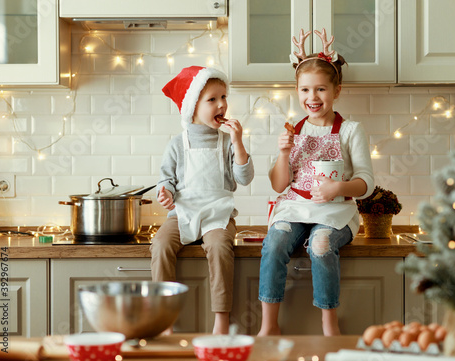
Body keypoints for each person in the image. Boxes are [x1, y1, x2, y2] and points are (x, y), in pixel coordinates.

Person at [257, 29, 374, 336]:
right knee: (275, 242)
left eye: (320, 89)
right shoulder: (292, 129)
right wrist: (283, 153)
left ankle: (329, 327)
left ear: (337, 89)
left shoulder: (350, 131)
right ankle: (269, 326)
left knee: (321, 245)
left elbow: (366, 181)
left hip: (335, 213)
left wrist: (340, 188)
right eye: (305, 90)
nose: (312, 98)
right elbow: (278, 185)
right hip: (294, 208)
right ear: (297, 91)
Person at [150, 66, 254, 335]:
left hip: (218, 215)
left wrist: (238, 141)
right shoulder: (176, 144)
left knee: (219, 247)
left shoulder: (227, 141)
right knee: (161, 244)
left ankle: (221, 318)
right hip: (182, 214)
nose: (222, 104)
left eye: (223, 97)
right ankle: (164, 319)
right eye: (212, 99)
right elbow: (166, 181)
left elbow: (245, 177)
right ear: (192, 107)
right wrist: (165, 193)